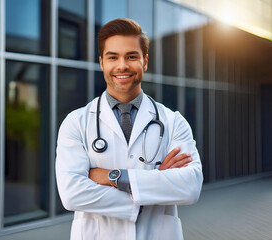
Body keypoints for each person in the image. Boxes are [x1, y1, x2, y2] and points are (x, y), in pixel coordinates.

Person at [56, 18, 203, 240]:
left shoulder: (173, 122)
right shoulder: (76, 122)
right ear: (101, 63)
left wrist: (113, 177)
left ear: (144, 62)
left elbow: (190, 186)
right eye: (113, 57)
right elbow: (71, 193)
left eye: (131, 56)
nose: (122, 65)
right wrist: (151, 187)